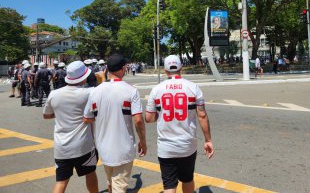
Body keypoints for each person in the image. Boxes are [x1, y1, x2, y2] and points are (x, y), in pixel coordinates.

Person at [145, 55, 214, 193]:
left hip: (166, 147)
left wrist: (161, 113)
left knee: (169, 185)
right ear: (181, 68)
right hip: (187, 145)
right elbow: (202, 115)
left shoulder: (157, 89)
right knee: (188, 179)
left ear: (165, 71)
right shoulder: (193, 87)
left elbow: (149, 118)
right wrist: (208, 140)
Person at [83, 54, 147, 193]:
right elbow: (138, 120)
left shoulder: (95, 91)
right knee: (119, 185)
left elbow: (87, 118)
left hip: (103, 147)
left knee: (111, 181)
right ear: (123, 68)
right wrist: (143, 141)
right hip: (123, 148)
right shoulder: (131, 91)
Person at [43, 61, 99, 193]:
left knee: (61, 181)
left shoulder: (54, 94)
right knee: (90, 174)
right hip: (83, 145)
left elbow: (46, 115)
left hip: (61, 146)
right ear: (84, 77)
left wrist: (63, 115)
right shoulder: (90, 92)